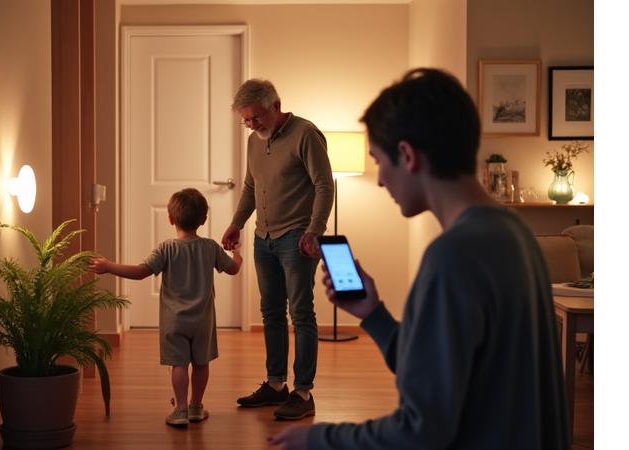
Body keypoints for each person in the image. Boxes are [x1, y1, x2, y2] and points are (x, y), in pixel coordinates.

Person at [270, 68, 570, 449]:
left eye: (379, 161)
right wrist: (374, 316)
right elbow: (439, 376)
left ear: (408, 155)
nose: (379, 180)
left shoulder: (453, 257)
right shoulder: (516, 233)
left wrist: (320, 438)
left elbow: (420, 431)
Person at [222, 79, 334, 420]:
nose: (252, 125)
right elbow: (250, 187)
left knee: (301, 313)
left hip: (297, 236)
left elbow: (324, 185)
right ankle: (275, 385)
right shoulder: (254, 142)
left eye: (256, 117)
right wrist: (237, 222)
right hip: (263, 237)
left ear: (276, 105)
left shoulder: (305, 135)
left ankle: (303, 392)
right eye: (246, 120)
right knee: (271, 312)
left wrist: (315, 231)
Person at [90, 188, 242, 427]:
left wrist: (110, 266)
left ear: (171, 219)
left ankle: (180, 409)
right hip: (203, 321)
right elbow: (233, 269)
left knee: (179, 364)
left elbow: (141, 272)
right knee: (201, 363)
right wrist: (238, 256)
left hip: (175, 321)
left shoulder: (166, 248)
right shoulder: (211, 247)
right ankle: (196, 406)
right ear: (203, 220)